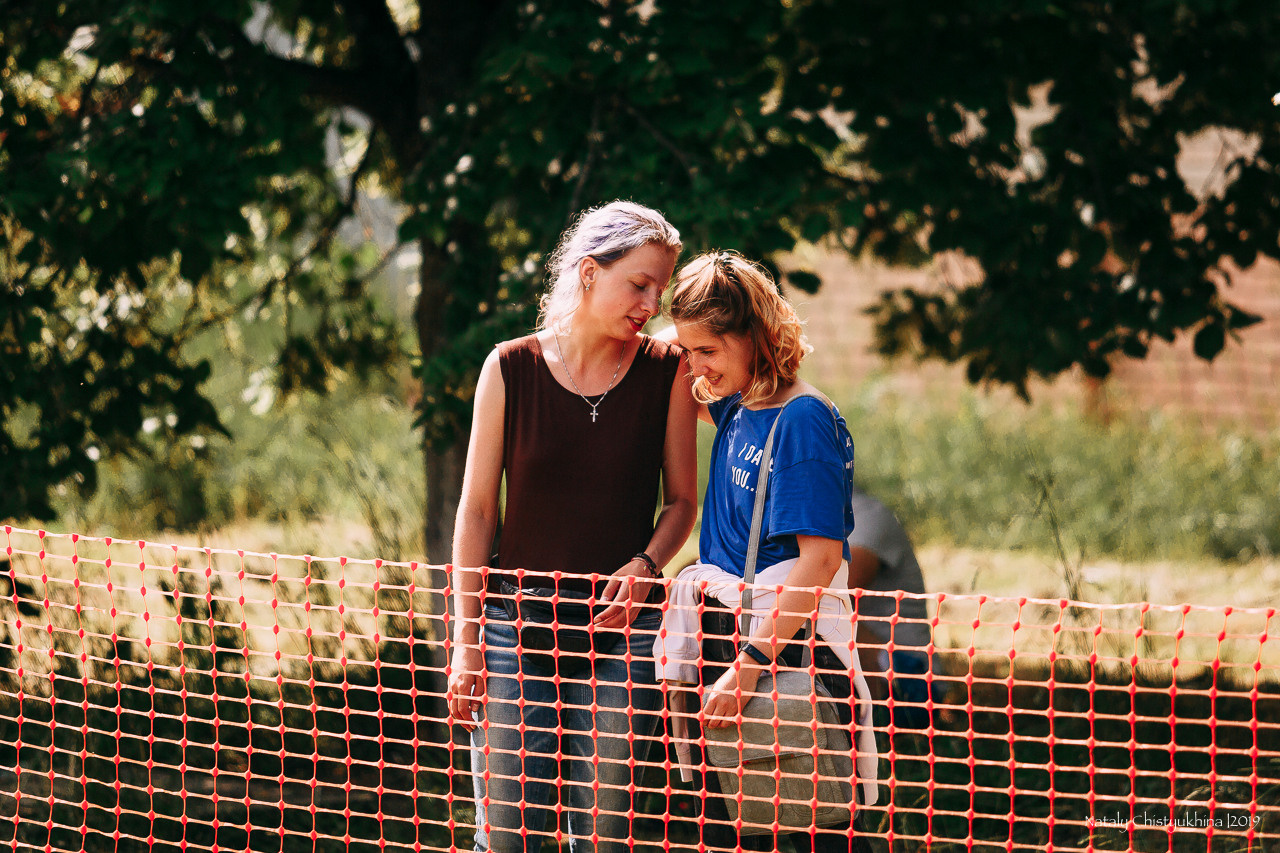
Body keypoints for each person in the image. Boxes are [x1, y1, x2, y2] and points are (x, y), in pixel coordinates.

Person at [447, 200, 699, 853]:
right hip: (510, 630)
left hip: (621, 636)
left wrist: (648, 565)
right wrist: (465, 640)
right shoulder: (508, 368)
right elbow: (476, 513)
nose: (652, 302)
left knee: (604, 838)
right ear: (588, 272)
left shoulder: (667, 372)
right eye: (638, 284)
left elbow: (681, 503)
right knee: (507, 838)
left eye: (660, 289)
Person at [654, 251, 877, 853]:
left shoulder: (802, 420)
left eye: (708, 351)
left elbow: (820, 560)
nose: (694, 368)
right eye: (690, 351)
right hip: (735, 650)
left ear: (753, 337)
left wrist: (747, 664)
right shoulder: (738, 399)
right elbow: (665, 345)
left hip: (784, 658)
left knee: (809, 833)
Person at [846, 485, 946, 728]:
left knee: (823, 613)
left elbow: (831, 592)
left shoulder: (868, 516)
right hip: (886, 676)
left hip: (912, 681)